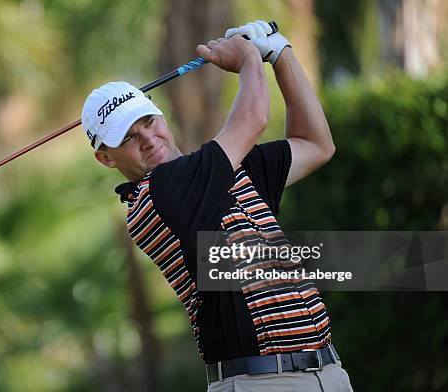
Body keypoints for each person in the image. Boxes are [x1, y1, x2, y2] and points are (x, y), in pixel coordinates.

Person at [81, 20, 353, 392]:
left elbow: (316, 144)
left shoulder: (227, 169)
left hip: (328, 372)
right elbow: (254, 117)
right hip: (259, 383)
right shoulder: (157, 194)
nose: (148, 138)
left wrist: (280, 53)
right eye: (128, 137)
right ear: (106, 158)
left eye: (148, 121)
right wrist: (248, 59)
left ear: (161, 114)